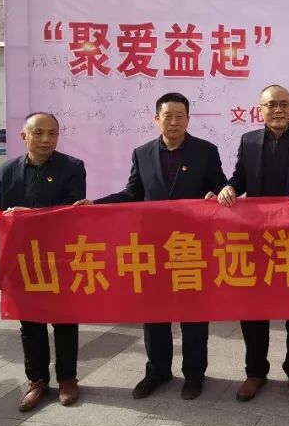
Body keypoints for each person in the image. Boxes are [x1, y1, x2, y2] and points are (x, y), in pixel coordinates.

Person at [77, 92, 226, 401]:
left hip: (191, 247)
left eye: (180, 116)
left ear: (188, 119)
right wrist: (96, 205)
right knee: (154, 312)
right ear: (156, 119)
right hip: (153, 247)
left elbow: (219, 185)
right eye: (167, 115)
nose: (174, 121)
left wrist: (220, 193)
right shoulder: (142, 153)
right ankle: (157, 372)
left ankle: (194, 374)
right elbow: (132, 193)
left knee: (194, 315)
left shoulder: (205, 151)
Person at [216, 84, 289, 403]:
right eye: (271, 104)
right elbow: (239, 178)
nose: (278, 110)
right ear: (260, 110)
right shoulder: (248, 141)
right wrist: (229, 188)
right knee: (253, 308)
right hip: (256, 238)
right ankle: (255, 372)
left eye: (284, 104)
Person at [0, 112, 86, 411]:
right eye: (39, 133)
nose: (46, 139)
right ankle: (37, 380)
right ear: (24, 136)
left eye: (52, 133)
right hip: (21, 260)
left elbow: (69, 212)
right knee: (30, 323)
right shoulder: (6, 171)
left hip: (60, 257)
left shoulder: (72, 167)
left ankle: (68, 379)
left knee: (65, 320)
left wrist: (27, 215)